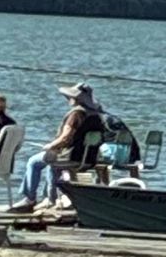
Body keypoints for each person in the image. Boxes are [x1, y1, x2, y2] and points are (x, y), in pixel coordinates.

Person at [17, 80, 103, 211]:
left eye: (70, 97)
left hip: (70, 156)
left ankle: (30, 198)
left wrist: (50, 145)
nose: (68, 99)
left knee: (33, 162)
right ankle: (50, 198)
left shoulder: (76, 114)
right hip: (88, 159)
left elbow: (65, 137)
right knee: (51, 163)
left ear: (76, 99)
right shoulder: (96, 116)